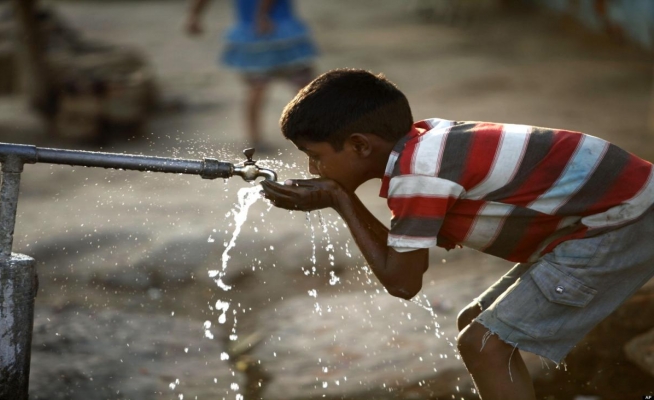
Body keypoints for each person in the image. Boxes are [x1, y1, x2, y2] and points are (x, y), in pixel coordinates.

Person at [259, 68, 654, 399]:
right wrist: (340, 196)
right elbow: (402, 256)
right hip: (615, 211)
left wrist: (341, 201)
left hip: (624, 219)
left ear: (360, 145)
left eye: (317, 157)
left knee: (484, 345)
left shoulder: (419, 175)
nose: (313, 170)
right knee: (477, 322)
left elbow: (402, 281)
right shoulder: (423, 146)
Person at [186, 0, 317, 152]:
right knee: (304, 88)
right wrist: (262, 15)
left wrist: (194, 15)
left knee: (259, 88)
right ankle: (316, 134)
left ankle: (255, 138)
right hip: (278, 31)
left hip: (253, 34)